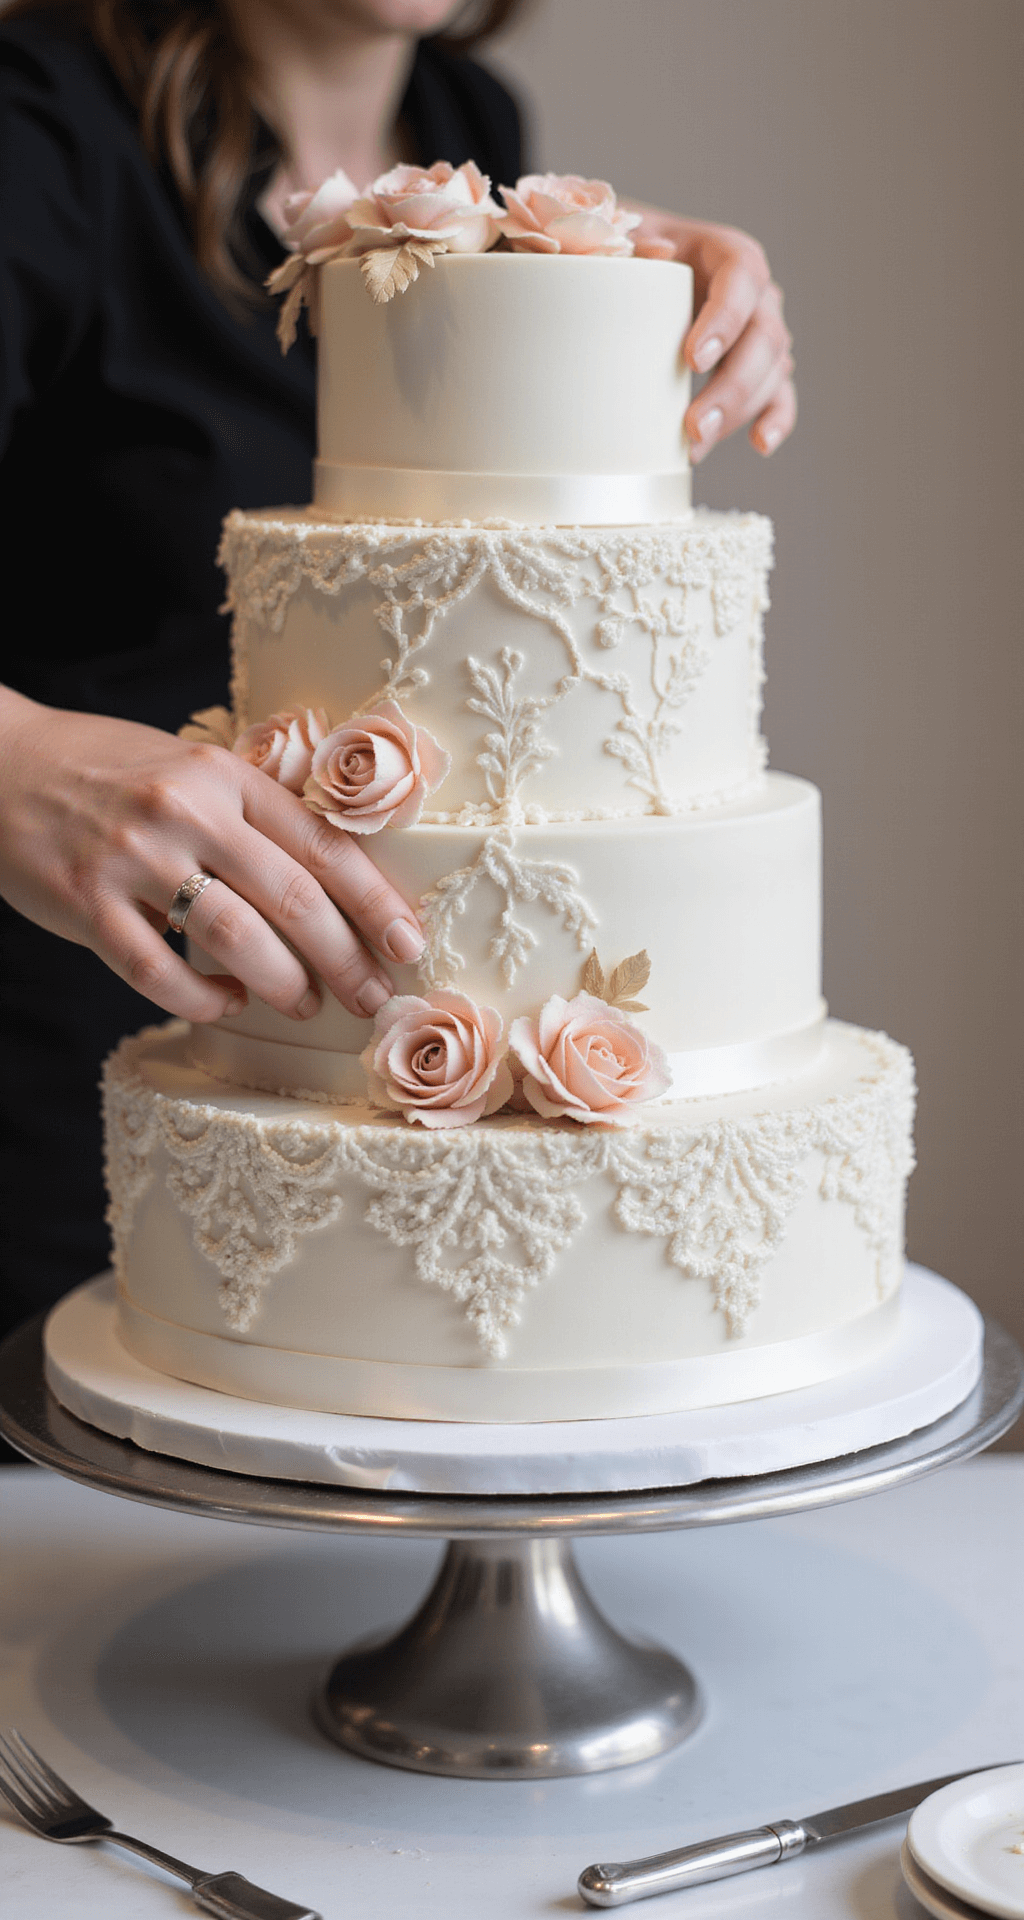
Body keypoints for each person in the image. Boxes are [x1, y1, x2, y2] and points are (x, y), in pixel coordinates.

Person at [0, 0, 796, 1353]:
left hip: (383, 1101)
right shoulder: (41, 125)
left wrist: (597, 300)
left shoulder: (472, 128)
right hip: (65, 1082)